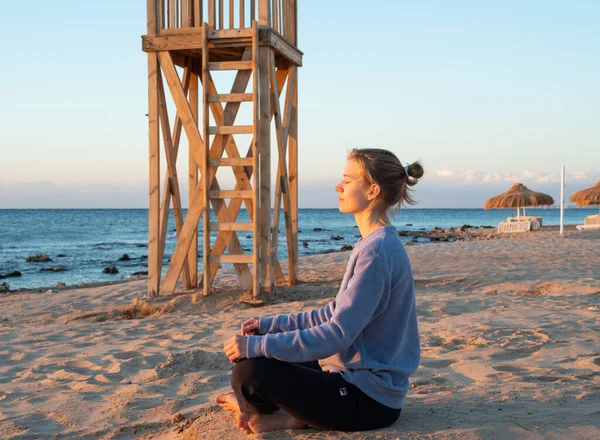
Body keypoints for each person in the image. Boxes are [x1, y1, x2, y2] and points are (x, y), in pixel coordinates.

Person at [216, 148, 423, 435]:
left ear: (373, 190)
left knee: (250, 372)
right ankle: (285, 414)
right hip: (351, 379)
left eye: (348, 181)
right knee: (259, 357)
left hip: (368, 399)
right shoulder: (374, 244)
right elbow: (332, 312)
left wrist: (257, 346)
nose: (338, 187)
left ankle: (285, 417)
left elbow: (336, 333)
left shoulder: (377, 253)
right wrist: (268, 327)